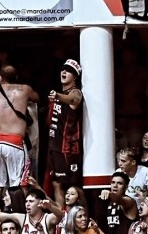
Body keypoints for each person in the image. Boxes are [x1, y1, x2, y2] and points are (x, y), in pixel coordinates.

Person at [0, 65, 39, 198]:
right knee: (19, 184)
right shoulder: (25, 89)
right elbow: (37, 99)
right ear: (16, 78)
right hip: (14, 142)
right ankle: (20, 213)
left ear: (0, 78)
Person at [47, 59, 84, 205]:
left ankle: (75, 216)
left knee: (71, 186)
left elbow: (73, 99)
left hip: (67, 147)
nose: (64, 72)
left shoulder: (75, 92)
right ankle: (61, 220)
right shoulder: (59, 94)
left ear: (75, 77)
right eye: (63, 69)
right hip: (54, 145)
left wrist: (58, 96)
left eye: (68, 70)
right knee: (56, 184)